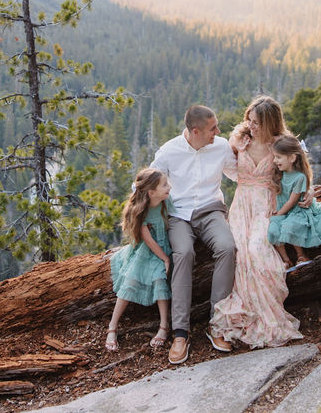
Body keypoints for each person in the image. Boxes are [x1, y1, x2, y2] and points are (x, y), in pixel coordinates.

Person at [209, 96, 302, 348]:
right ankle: (245, 314)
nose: (252, 126)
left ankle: (267, 315)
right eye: (249, 120)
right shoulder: (241, 140)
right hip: (242, 204)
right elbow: (229, 168)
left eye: (258, 122)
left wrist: (304, 196)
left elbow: (300, 173)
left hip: (267, 204)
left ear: (271, 123)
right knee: (239, 252)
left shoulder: (281, 145)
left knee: (258, 250)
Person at [150, 105, 238, 365]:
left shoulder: (221, 146)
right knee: (184, 253)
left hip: (211, 210)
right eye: (213, 128)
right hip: (178, 215)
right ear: (195, 131)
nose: (218, 132)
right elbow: (145, 183)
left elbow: (240, 175)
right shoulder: (169, 151)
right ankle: (180, 333)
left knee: (227, 247)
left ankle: (217, 325)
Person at [106, 168, 173, 351]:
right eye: (165, 185)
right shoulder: (141, 212)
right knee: (130, 280)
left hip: (164, 248)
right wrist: (166, 259)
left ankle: (163, 326)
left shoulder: (167, 202)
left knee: (160, 279)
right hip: (148, 251)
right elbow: (149, 241)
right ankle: (112, 327)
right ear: (151, 193)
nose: (169, 187)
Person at [268, 134, 321, 270]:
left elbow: (292, 201)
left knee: (289, 226)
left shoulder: (299, 177)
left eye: (278, 157)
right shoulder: (280, 174)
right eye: (275, 157)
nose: (275, 161)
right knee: (273, 229)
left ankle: (301, 256)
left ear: (292, 158)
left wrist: (279, 213)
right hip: (282, 210)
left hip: (295, 211)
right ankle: (286, 260)